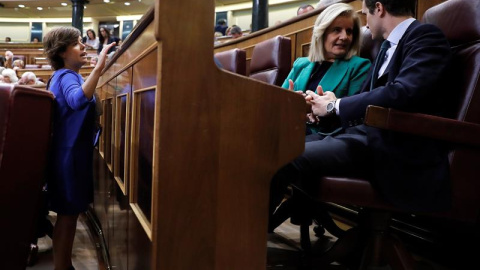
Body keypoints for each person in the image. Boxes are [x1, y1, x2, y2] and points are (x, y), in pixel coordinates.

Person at [269, 0, 453, 232]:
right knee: (271, 147)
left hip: (393, 148)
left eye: (365, 14)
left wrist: (334, 106)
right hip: (360, 137)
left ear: (379, 8)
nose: (366, 24)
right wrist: (324, 111)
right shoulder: (386, 47)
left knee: (285, 155)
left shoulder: (426, 36)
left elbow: (402, 93)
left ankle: (246, 242)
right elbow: (364, 102)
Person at [43, 26, 115, 270]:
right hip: (69, 157)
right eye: (77, 43)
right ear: (62, 51)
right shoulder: (65, 75)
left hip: (71, 155)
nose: (84, 46)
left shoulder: (65, 76)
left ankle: (63, 266)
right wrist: (99, 68)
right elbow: (77, 101)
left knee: (69, 216)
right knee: (68, 216)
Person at [283, 3, 370, 135]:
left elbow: (354, 114)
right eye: (336, 30)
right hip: (288, 128)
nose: (344, 37)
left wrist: (311, 109)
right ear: (322, 33)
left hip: (324, 137)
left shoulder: (359, 66)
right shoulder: (300, 64)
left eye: (349, 31)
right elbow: (277, 101)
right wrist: (289, 102)